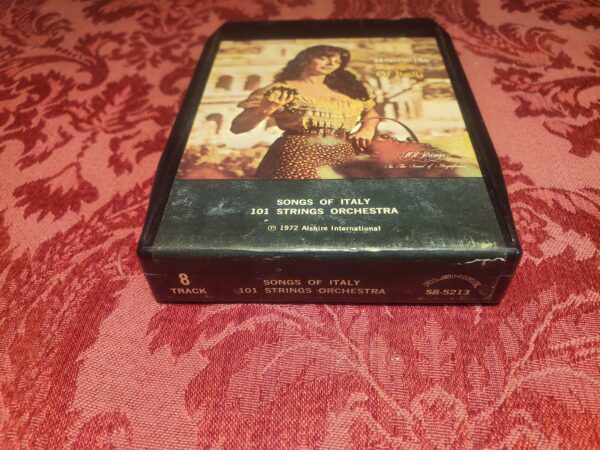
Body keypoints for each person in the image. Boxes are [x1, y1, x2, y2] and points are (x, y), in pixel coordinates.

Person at [230, 45, 379, 179]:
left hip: (343, 152)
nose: (331, 63)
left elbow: (371, 113)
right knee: (297, 197)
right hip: (298, 153)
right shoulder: (280, 89)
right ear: (305, 60)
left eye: (337, 61)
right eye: (323, 58)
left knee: (337, 199)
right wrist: (265, 109)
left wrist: (367, 129)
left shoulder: (345, 91)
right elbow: (237, 127)